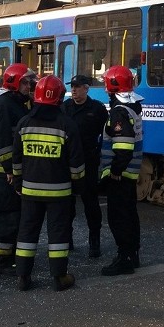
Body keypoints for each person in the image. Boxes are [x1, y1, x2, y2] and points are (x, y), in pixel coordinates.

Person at [12, 75, 86, 292]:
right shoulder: (67, 125)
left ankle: (23, 277)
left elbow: (17, 160)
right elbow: (76, 164)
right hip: (59, 192)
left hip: (30, 190)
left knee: (26, 233)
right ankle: (59, 277)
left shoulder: (24, 124)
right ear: (59, 98)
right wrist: (78, 186)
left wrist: (18, 183)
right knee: (58, 235)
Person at [0, 63, 37, 276]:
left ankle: (12, 257)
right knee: (7, 216)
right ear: (14, 82)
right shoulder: (4, 104)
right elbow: (1, 140)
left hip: (15, 170)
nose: (30, 85)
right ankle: (0, 262)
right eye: (25, 82)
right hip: (5, 172)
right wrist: (9, 169)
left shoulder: (21, 103)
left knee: (16, 216)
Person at [99, 65, 144, 276]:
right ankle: (132, 254)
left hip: (120, 175)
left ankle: (124, 258)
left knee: (119, 217)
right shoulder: (132, 107)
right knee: (130, 215)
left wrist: (115, 170)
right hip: (130, 174)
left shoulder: (119, 112)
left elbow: (124, 146)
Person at [61, 74, 109, 258]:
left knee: (91, 204)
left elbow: (106, 134)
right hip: (68, 162)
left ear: (86, 88)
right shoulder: (65, 108)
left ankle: (94, 242)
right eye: (72, 86)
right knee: (68, 204)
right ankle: (68, 240)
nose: (73, 90)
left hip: (89, 161)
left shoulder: (97, 109)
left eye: (77, 86)